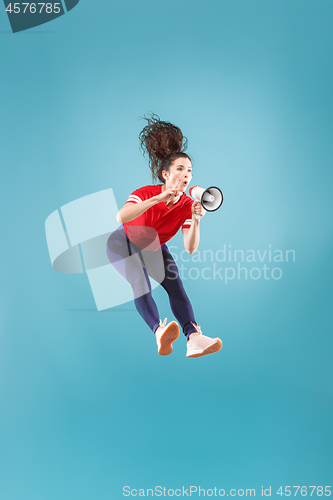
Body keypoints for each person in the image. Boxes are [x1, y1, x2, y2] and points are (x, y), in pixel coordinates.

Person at [106, 115, 222, 358]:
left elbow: (190, 248)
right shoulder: (146, 193)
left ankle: (194, 337)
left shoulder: (188, 206)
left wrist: (197, 219)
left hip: (153, 247)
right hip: (121, 243)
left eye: (189, 170)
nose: (185, 174)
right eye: (179, 169)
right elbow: (121, 217)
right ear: (165, 174)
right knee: (139, 279)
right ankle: (159, 331)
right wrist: (158, 199)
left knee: (175, 285)